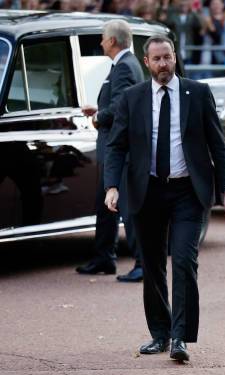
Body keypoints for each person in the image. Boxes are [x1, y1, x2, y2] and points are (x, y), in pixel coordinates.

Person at [104, 36, 225, 362]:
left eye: (168, 57)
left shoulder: (198, 92)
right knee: (151, 265)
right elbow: (117, 146)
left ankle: (180, 337)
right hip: (146, 191)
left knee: (183, 260)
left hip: (187, 192)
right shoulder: (132, 98)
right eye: (157, 59)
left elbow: (217, 144)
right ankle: (160, 334)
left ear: (175, 57)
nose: (164, 64)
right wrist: (112, 186)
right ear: (146, 62)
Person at [76, 20, 145, 282]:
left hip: (119, 149)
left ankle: (142, 262)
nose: (101, 42)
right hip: (112, 148)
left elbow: (121, 106)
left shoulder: (125, 66)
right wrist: (99, 110)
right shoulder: (122, 65)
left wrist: (98, 117)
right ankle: (104, 256)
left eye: (104, 38)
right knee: (104, 206)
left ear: (113, 41)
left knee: (127, 207)